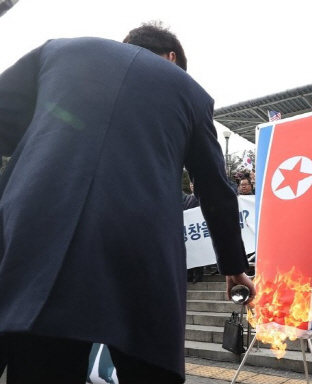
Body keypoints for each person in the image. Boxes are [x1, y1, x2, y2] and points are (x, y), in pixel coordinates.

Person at [0, 25, 255, 383]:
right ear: (171, 59)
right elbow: (215, 190)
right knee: (148, 359)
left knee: (41, 356)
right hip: (139, 243)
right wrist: (233, 267)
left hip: (35, 227)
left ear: (124, 45)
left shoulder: (58, 50)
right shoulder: (191, 93)